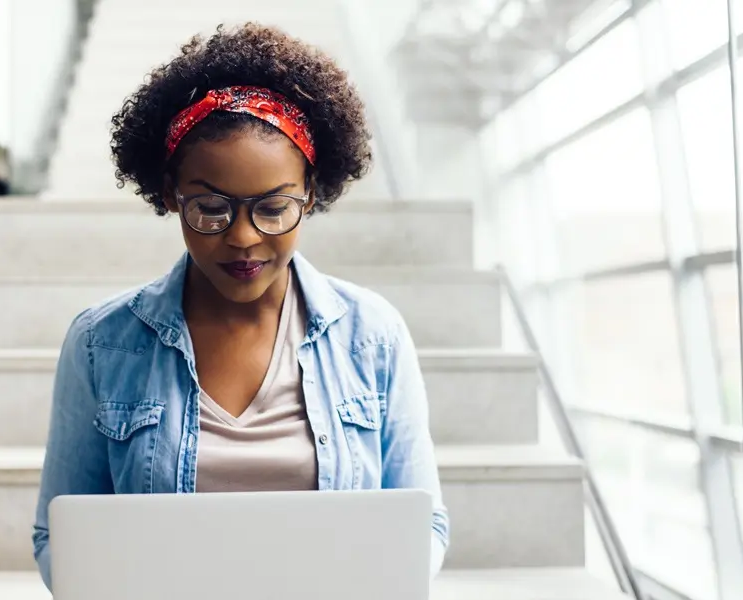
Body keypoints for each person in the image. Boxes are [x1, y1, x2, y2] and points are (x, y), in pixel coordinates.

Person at [32, 22, 449, 589]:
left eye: (274, 208)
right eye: (210, 207)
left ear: (311, 193)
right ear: (168, 195)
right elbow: (60, 536)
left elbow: (426, 524)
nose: (244, 238)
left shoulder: (372, 335)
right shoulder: (102, 342)